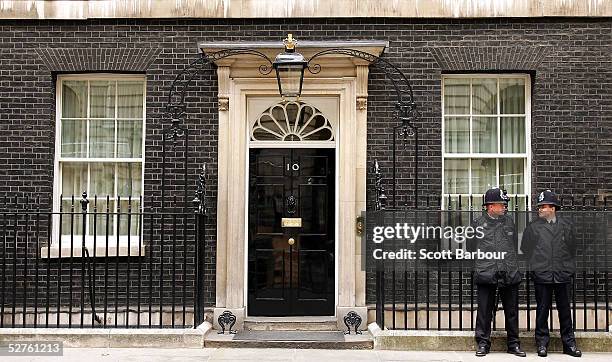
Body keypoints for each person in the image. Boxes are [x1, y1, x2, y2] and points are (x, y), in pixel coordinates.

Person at [520, 190, 582, 358]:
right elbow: (526, 250)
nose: (539, 209)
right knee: (542, 310)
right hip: (542, 274)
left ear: (553, 208)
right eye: (539, 206)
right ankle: (542, 344)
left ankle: (569, 344)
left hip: (562, 274)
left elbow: (573, 248)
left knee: (565, 311)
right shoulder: (533, 228)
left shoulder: (566, 226)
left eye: (543, 206)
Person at [469, 187, 525, 357]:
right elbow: (470, 249)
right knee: (484, 311)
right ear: (490, 206)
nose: (505, 206)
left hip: (508, 271)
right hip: (486, 272)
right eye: (502, 204)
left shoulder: (509, 222)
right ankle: (483, 344)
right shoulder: (477, 224)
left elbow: (513, 246)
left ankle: (513, 344)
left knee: (512, 310)